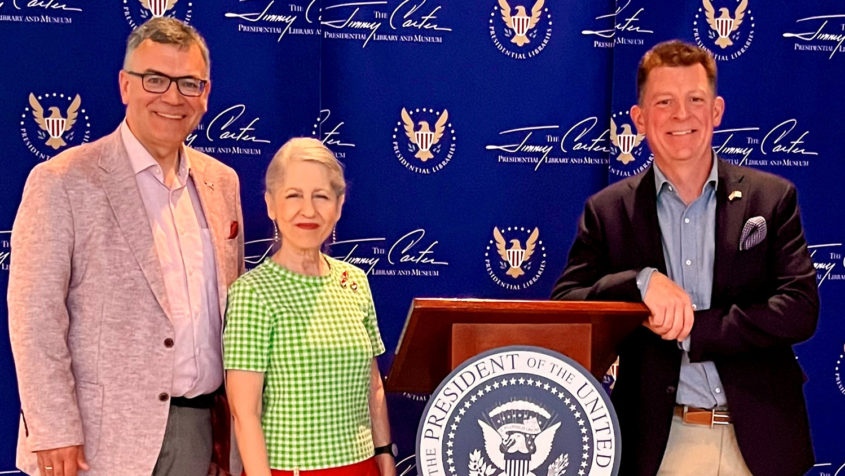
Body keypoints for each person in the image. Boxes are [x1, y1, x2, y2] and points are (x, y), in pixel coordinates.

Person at [551, 40, 818, 476]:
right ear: (639, 120)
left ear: (716, 112)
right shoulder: (608, 211)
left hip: (762, 444)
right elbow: (567, 305)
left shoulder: (771, 199)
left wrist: (697, 328)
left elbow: (800, 310)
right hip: (660, 445)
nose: (681, 115)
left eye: (695, 100)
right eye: (664, 102)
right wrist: (639, 282)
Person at [8, 17, 244, 476]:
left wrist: (225, 438)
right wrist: (53, 428)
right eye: (155, 79)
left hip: (201, 437)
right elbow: (34, 316)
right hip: (94, 444)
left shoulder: (222, 183)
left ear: (206, 92)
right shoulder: (62, 181)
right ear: (124, 85)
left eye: (189, 83)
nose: (173, 97)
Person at [224, 138, 395, 476]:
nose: (308, 210)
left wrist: (385, 455)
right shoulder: (252, 293)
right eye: (293, 196)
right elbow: (245, 413)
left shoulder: (355, 281)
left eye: (321, 196)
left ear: (339, 204)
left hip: (362, 467)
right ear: (271, 205)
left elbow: (373, 384)